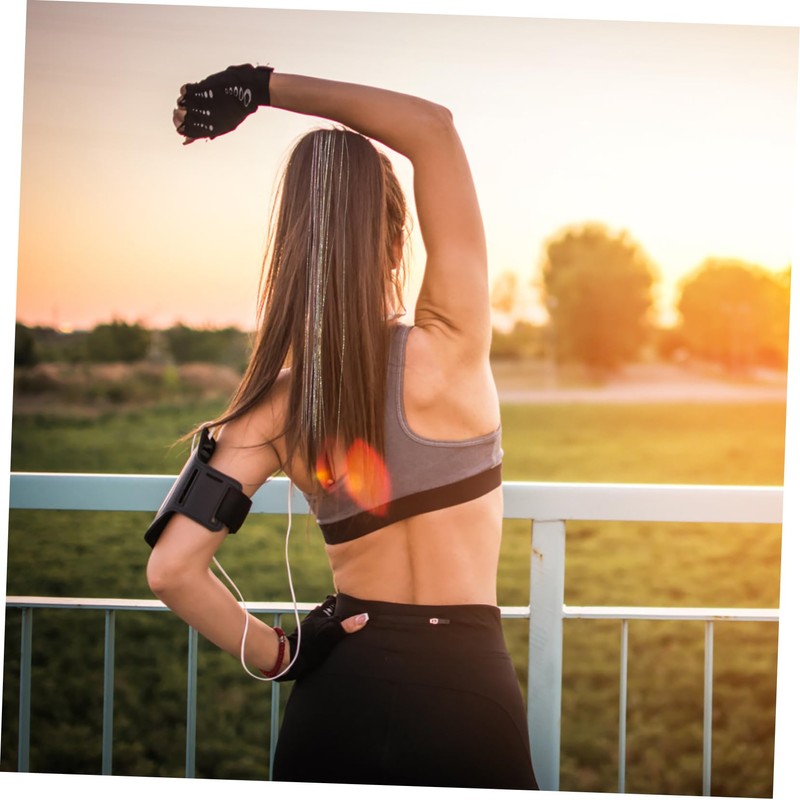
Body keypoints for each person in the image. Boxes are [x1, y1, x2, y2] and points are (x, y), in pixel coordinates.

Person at [146, 62, 538, 790]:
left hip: (338, 700)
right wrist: (262, 87)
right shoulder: (454, 344)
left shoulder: (275, 407)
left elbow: (171, 571)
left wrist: (280, 655)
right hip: (469, 699)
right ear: (396, 240)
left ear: (294, 249)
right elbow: (432, 129)